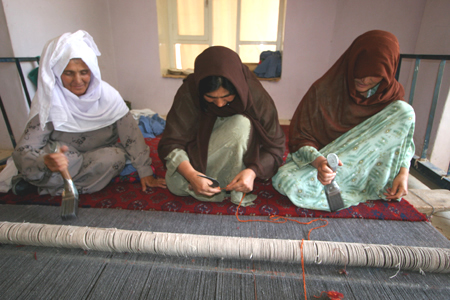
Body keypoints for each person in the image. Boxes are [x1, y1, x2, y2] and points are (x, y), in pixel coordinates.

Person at [272, 30, 415, 211]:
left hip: (369, 171)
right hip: (328, 165)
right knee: (288, 182)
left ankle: (369, 184)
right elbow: (300, 139)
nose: (363, 79)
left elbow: (404, 138)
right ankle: (351, 187)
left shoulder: (391, 101)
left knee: (405, 111)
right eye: (359, 71)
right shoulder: (323, 91)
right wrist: (320, 163)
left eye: (373, 74)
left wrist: (403, 172)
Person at [12, 30, 166, 196]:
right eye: (69, 73)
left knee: (115, 157)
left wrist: (145, 172)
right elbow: (24, 150)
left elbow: (132, 136)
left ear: (92, 71)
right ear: (57, 74)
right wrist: (45, 162)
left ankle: (48, 188)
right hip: (66, 161)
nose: (78, 81)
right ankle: (63, 185)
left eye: (84, 72)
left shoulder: (109, 97)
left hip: (98, 158)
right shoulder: (50, 101)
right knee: (65, 159)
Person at [158, 46, 285, 206]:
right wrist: (191, 175)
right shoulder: (190, 91)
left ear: (238, 87)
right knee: (176, 182)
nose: (219, 104)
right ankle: (202, 182)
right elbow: (171, 142)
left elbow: (276, 147)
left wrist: (252, 172)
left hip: (241, 152)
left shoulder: (254, 94)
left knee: (240, 124)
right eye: (211, 98)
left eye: (226, 97)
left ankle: (227, 179)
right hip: (200, 151)